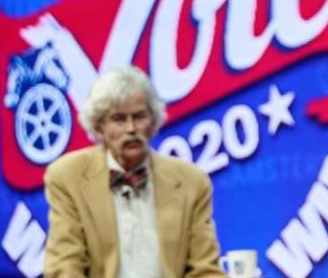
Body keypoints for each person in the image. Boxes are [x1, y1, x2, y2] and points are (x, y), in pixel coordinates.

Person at [43, 65, 225, 277]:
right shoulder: (67, 177)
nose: (131, 129)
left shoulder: (191, 182)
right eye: (119, 119)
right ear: (98, 128)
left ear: (153, 121)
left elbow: (204, 268)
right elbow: (65, 266)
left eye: (139, 117)